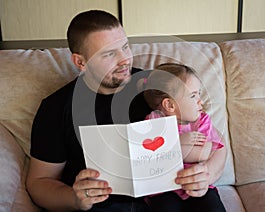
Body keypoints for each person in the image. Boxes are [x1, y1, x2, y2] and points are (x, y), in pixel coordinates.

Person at [26, 10, 227, 211]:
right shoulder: (56, 108)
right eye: (109, 54)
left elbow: (216, 143)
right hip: (104, 206)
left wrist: (207, 173)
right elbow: (39, 183)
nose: (125, 60)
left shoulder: (156, 88)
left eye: (125, 47)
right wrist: (75, 198)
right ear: (81, 62)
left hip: (169, 197)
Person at [142, 63, 226, 211]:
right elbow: (148, 158)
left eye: (199, 93)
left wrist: (169, 147)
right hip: (164, 190)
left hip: (197, 184)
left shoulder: (202, 120)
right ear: (169, 105)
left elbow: (204, 153)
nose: (201, 101)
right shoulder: (153, 122)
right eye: (193, 96)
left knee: (213, 207)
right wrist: (179, 142)